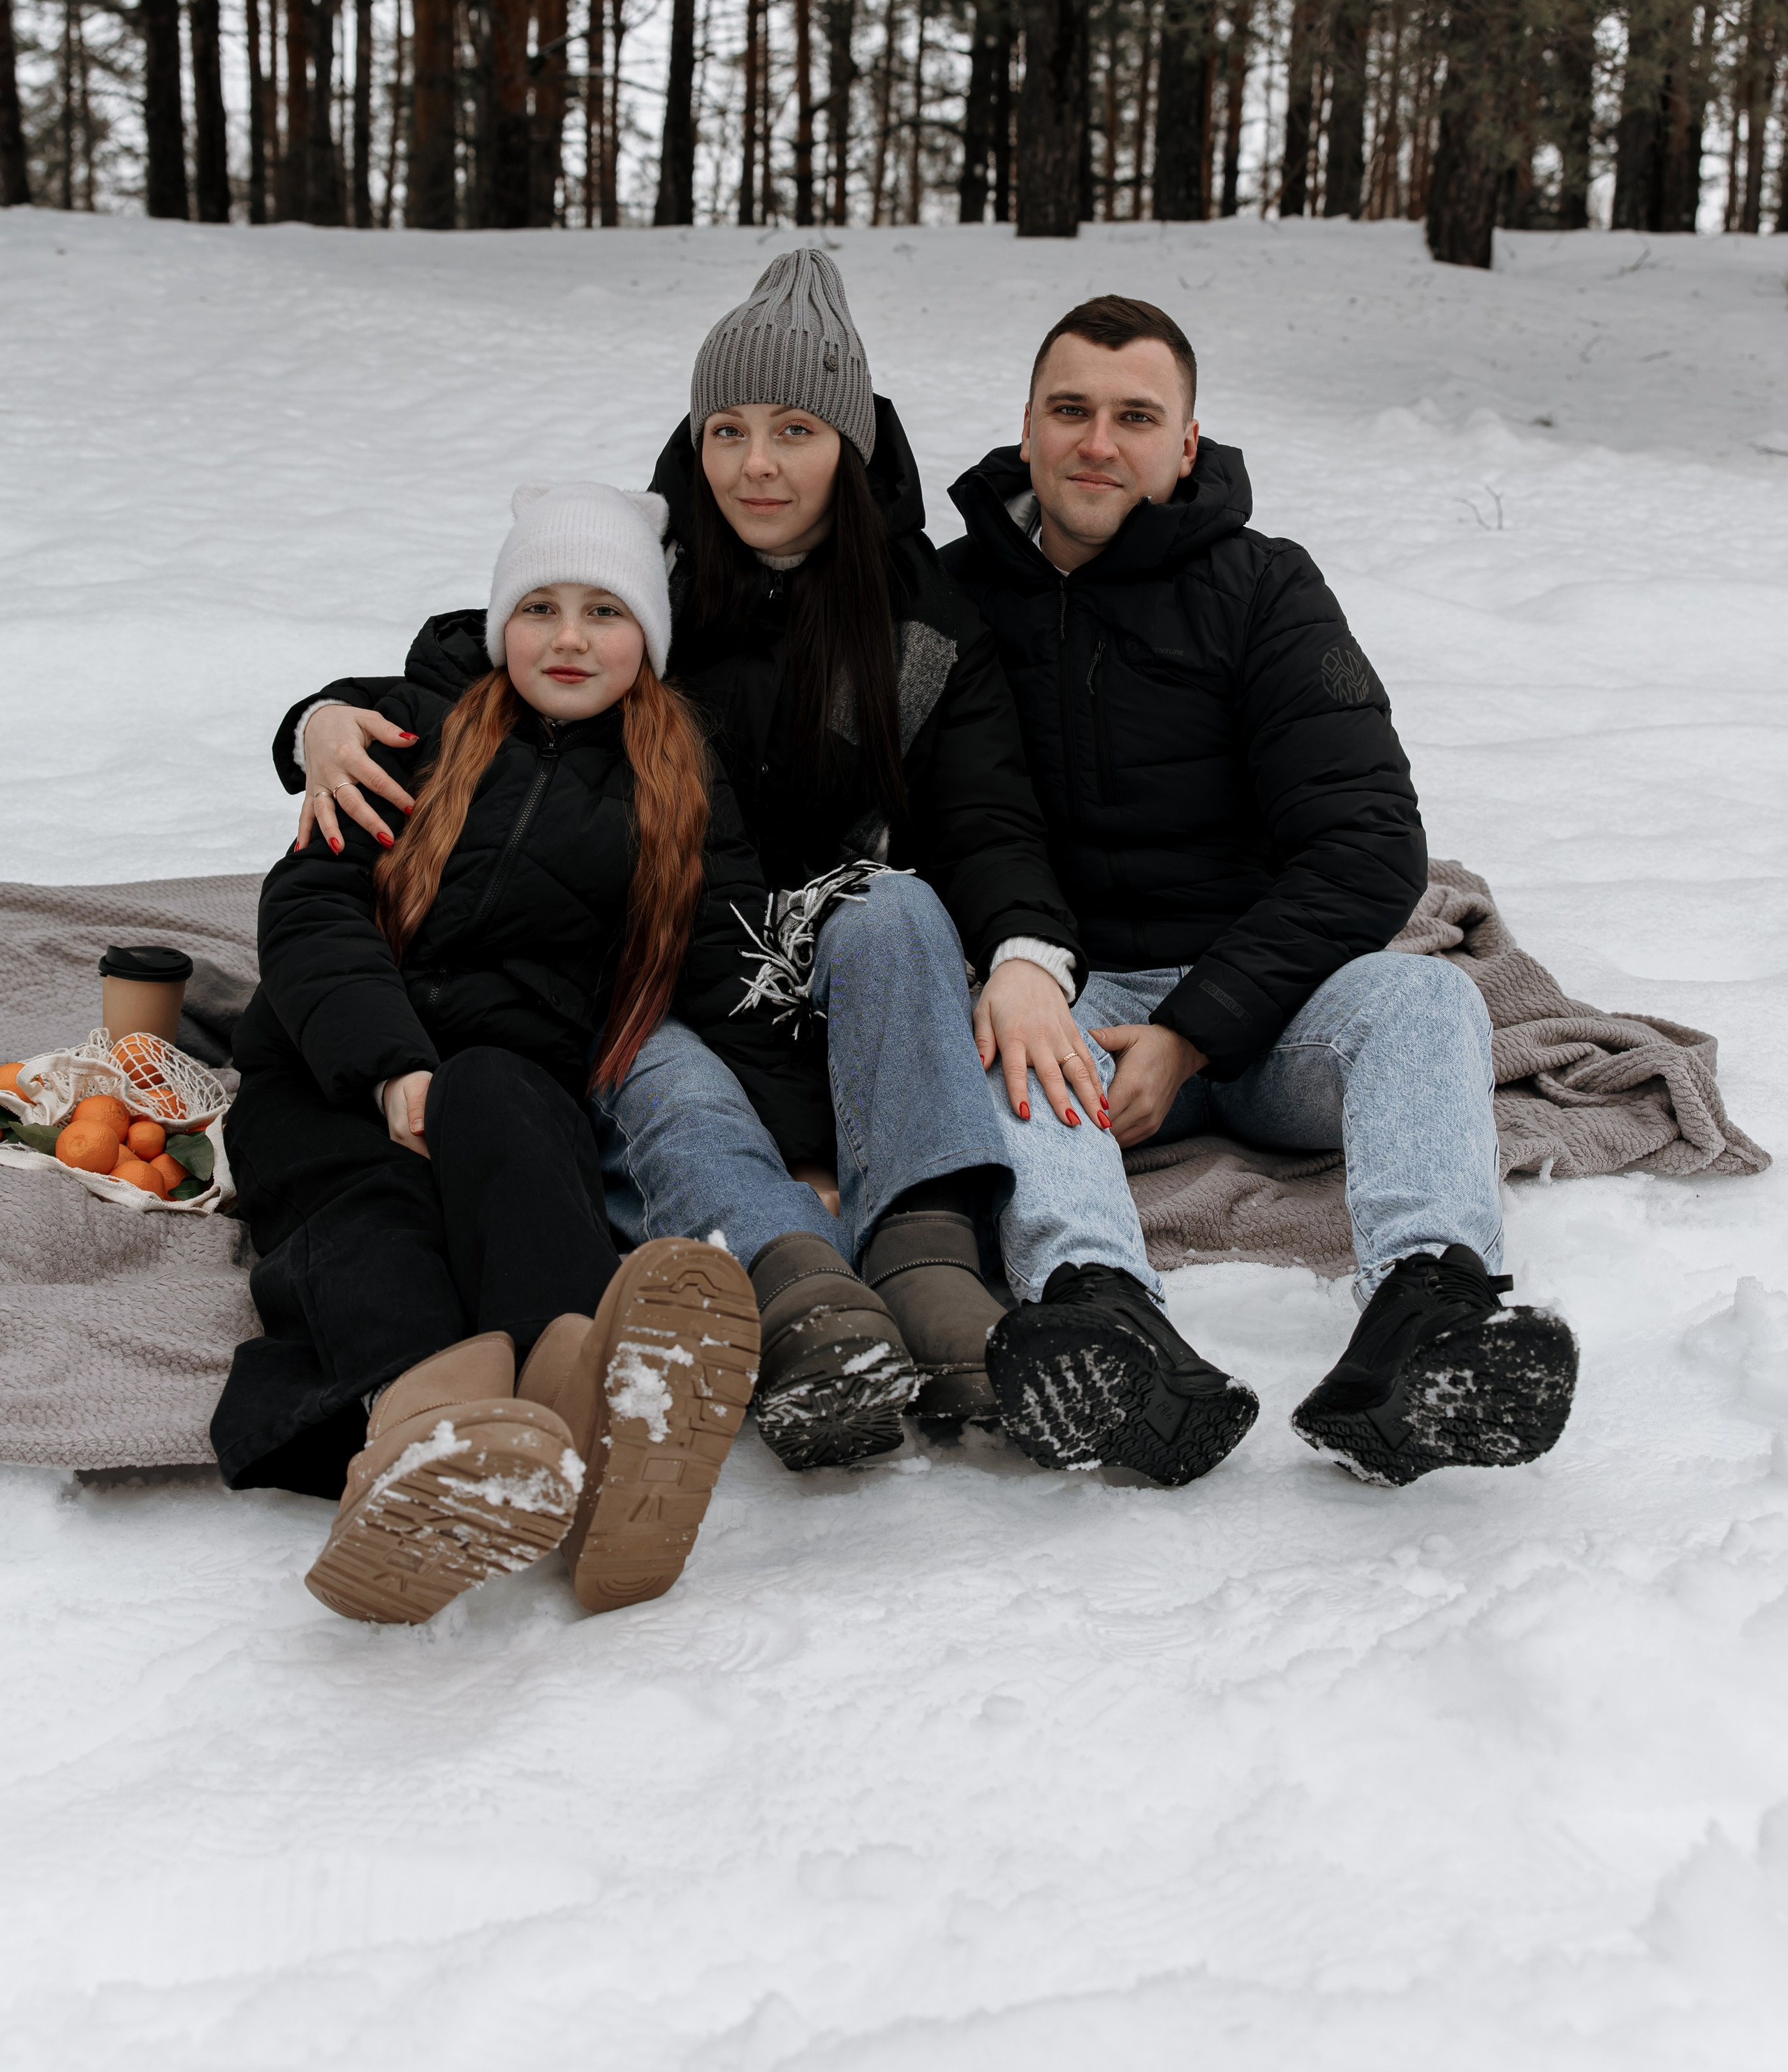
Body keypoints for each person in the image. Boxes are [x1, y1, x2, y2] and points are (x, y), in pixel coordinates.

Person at [277, 252, 1247, 1489]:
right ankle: (794, 1292)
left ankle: (926, 1258)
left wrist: (1022, 959)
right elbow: (497, 656)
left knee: (898, 910)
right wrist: (318, 715)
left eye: (794, 429)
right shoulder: (647, 568)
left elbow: (989, 817)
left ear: (847, 440)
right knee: (649, 1054)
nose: (756, 466)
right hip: (658, 952)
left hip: (832, 952)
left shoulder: (921, 616)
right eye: (727, 430)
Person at [944, 294, 1581, 1489]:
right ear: (1025, 428)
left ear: (1186, 443)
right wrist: (1025, 974)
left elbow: (1370, 843)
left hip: (1268, 1008)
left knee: (1427, 1002)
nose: (1100, 444)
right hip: (1068, 1010)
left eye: (1137, 417)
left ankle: (1433, 1315)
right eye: (1071, 410)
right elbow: (934, 818)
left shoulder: (1266, 588)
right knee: (997, 1038)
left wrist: (1193, 1033)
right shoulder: (950, 597)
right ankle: (1104, 1323)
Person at [216, 481, 826, 1625]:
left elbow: (729, 972)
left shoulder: (681, 782)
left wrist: (804, 1146)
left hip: (515, 1073)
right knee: (371, 1213)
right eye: (539, 607)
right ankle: (419, 1441)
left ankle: (582, 1406)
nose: (569, 637)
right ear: (501, 625)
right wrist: (392, 1066)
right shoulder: (418, 728)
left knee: (527, 1159)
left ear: (647, 635)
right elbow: (312, 910)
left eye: (604, 610)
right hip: (331, 1068)